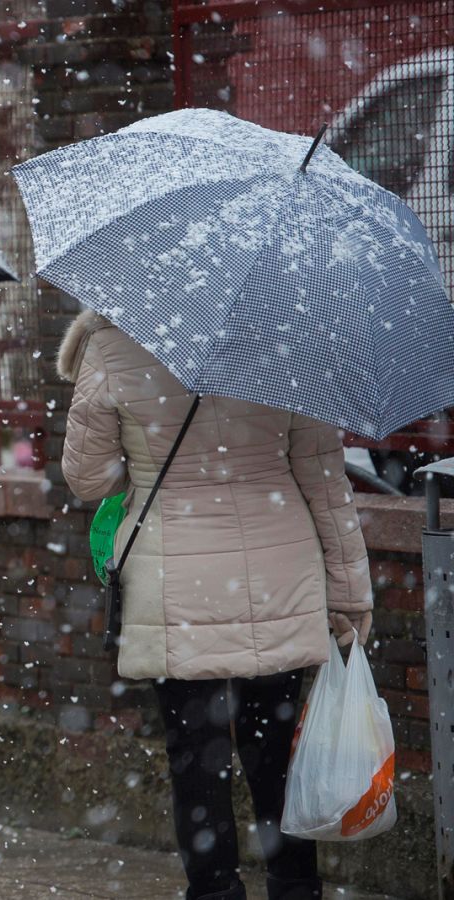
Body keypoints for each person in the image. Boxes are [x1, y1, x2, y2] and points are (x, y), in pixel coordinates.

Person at [59, 309, 373, 900]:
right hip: (279, 571)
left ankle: (215, 889)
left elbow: (89, 478)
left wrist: (146, 457)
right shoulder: (289, 330)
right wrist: (351, 594)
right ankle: (295, 886)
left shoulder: (114, 338)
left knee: (195, 762)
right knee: (276, 753)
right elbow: (326, 480)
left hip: (175, 580)